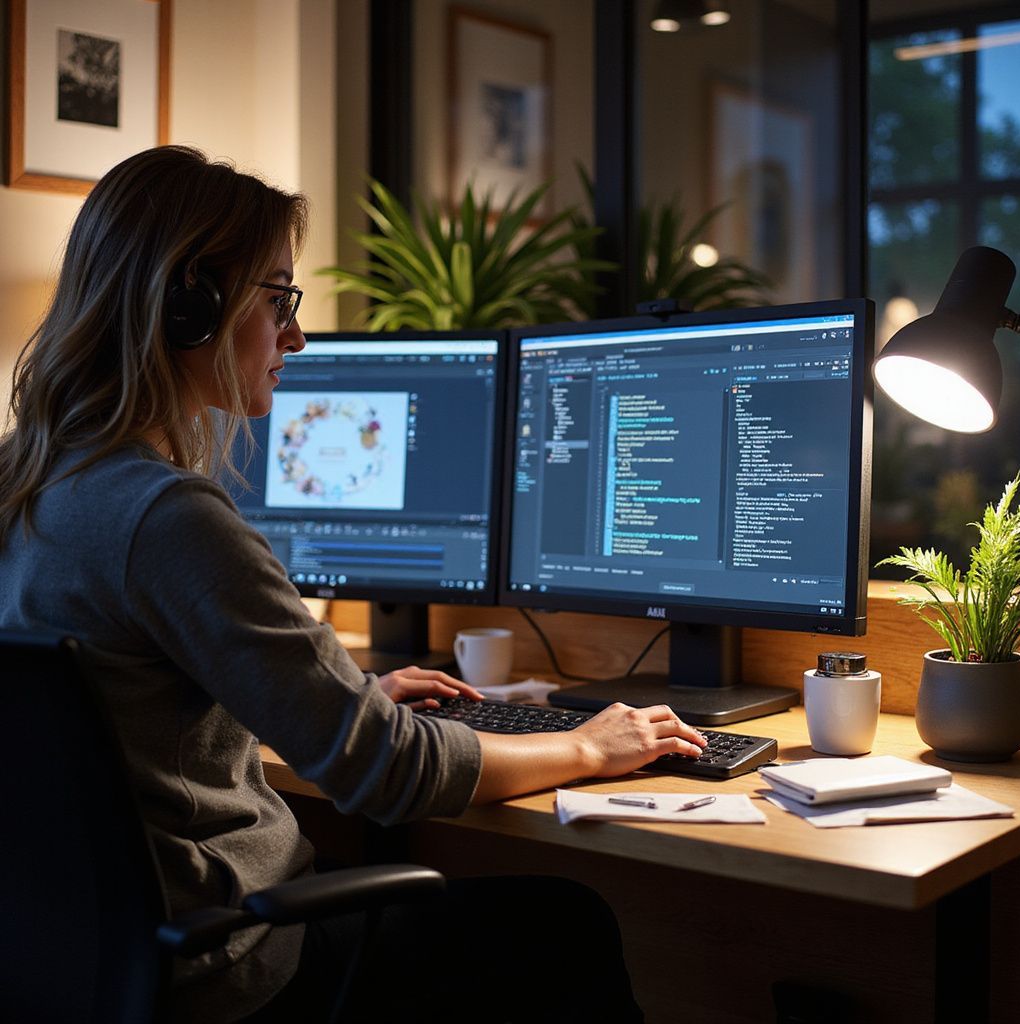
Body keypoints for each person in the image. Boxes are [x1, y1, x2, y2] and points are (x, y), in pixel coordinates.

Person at [0, 146, 706, 1023]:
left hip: (78, 967)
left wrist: (343, 697)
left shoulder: (29, 486)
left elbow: (130, 713)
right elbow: (384, 771)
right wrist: (590, 747)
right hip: (231, 964)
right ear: (191, 304)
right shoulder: (166, 517)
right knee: (569, 920)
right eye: (279, 299)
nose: (295, 335)